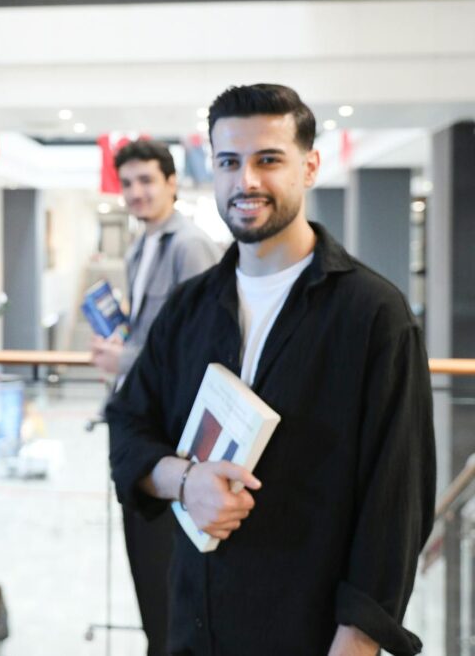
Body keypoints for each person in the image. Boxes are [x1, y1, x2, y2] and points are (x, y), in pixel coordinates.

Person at [106, 83, 435, 655]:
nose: (246, 181)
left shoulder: (372, 315)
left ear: (309, 167)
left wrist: (356, 643)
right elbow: (128, 427)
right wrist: (183, 481)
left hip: (306, 631)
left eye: (268, 160)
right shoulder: (189, 307)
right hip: (195, 624)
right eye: (229, 162)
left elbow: (397, 500)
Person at [89, 139, 220, 656]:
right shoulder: (144, 243)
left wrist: (123, 360)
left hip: (176, 433)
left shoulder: (189, 245)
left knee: (170, 585)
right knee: (149, 578)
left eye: (147, 181)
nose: (137, 193)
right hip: (142, 422)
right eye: (128, 184)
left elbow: (198, 343)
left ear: (172, 182)